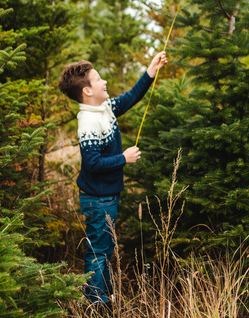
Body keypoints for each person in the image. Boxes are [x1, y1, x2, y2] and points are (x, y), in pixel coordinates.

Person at [58, 52, 167, 307]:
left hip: (106, 196)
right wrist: (123, 158)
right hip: (97, 200)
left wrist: (151, 70)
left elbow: (130, 98)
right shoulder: (88, 121)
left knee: (104, 250)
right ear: (86, 91)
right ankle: (97, 303)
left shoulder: (103, 108)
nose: (104, 81)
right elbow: (92, 164)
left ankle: (103, 294)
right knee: (98, 252)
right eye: (98, 79)